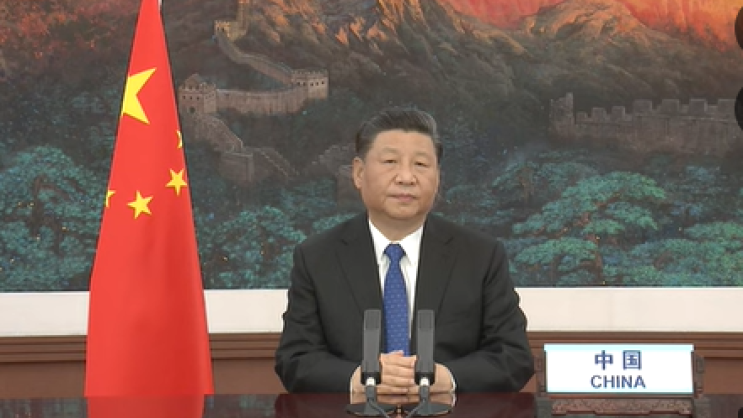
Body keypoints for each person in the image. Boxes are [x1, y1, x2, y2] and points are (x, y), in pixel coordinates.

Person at [274, 107, 534, 394]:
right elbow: (295, 360)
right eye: (390, 162)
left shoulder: (480, 256)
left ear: (438, 177)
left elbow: (513, 356)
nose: (406, 177)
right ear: (359, 173)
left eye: (421, 164)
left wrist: (446, 378)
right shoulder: (317, 257)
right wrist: (360, 378)